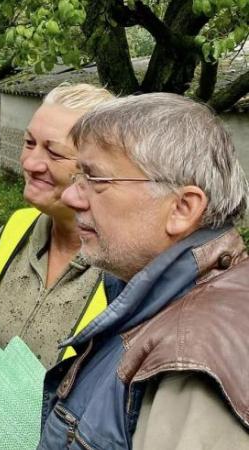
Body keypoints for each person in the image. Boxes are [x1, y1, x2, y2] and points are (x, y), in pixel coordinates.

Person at [35, 93, 249, 449]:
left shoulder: (190, 359)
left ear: (182, 207)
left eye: (96, 179)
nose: (72, 197)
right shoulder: (151, 299)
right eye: (78, 175)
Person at [0, 83, 115, 450]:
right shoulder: (13, 231)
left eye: (53, 152)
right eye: (30, 144)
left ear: (95, 169)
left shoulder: (122, 270)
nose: (30, 162)